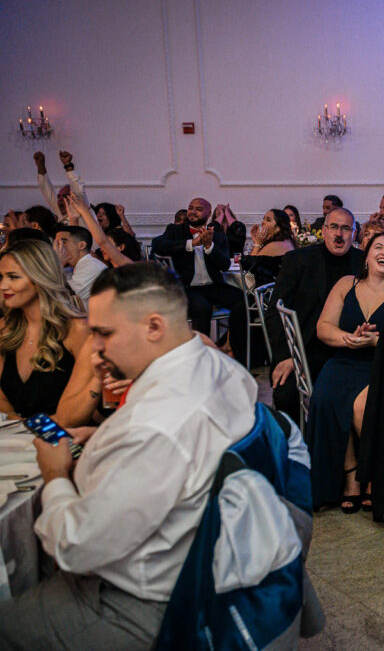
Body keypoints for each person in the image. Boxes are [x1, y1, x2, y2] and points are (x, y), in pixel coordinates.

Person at [0, 262, 257, 648]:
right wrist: (104, 434)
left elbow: (76, 548)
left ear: (154, 327)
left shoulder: (154, 425)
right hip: (215, 552)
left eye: (104, 334)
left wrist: (54, 474)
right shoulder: (223, 367)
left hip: (152, 598)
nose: (96, 349)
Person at [307, 231, 384, 510]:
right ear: (366, 255)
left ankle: (375, 475)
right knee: (326, 398)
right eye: (378, 248)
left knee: (364, 406)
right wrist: (348, 339)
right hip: (344, 360)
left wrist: (378, 341)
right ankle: (350, 477)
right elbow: (324, 328)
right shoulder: (346, 284)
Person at [265, 208, 364, 423]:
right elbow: (275, 313)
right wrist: (288, 356)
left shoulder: (364, 262)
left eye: (346, 228)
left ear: (354, 234)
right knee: (287, 394)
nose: (339, 234)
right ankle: (298, 449)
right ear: (324, 231)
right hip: (306, 349)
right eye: (334, 227)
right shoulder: (298, 260)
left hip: (351, 350)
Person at [0, 240, 98, 426]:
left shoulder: (77, 329)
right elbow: (1, 398)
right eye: (1, 277)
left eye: (13, 277)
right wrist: (14, 421)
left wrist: (30, 430)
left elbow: (81, 412)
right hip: (18, 439)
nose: (3, 285)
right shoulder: (4, 328)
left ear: (40, 278)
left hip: (68, 439)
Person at [151, 197, 237, 338]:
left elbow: (225, 265)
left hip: (213, 286)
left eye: (198, 209)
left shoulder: (218, 235)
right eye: (191, 208)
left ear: (209, 214)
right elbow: (158, 246)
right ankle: (201, 353)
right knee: (202, 308)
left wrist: (209, 246)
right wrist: (191, 243)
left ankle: (232, 349)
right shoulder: (175, 230)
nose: (192, 212)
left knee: (242, 302)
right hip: (187, 287)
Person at [226, 209, 297, 364]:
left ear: (278, 228)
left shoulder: (276, 245)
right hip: (273, 297)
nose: (263, 222)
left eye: (268, 220)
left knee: (239, 308)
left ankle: (242, 357)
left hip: (271, 301)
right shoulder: (284, 242)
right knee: (239, 303)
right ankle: (235, 349)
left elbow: (248, 265)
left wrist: (257, 243)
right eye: (264, 218)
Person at [53, 225, 108, 302]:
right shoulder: (81, 266)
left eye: (63, 242)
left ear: (81, 245)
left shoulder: (92, 266)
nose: (58, 247)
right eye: (57, 243)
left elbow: (65, 297)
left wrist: (57, 263)